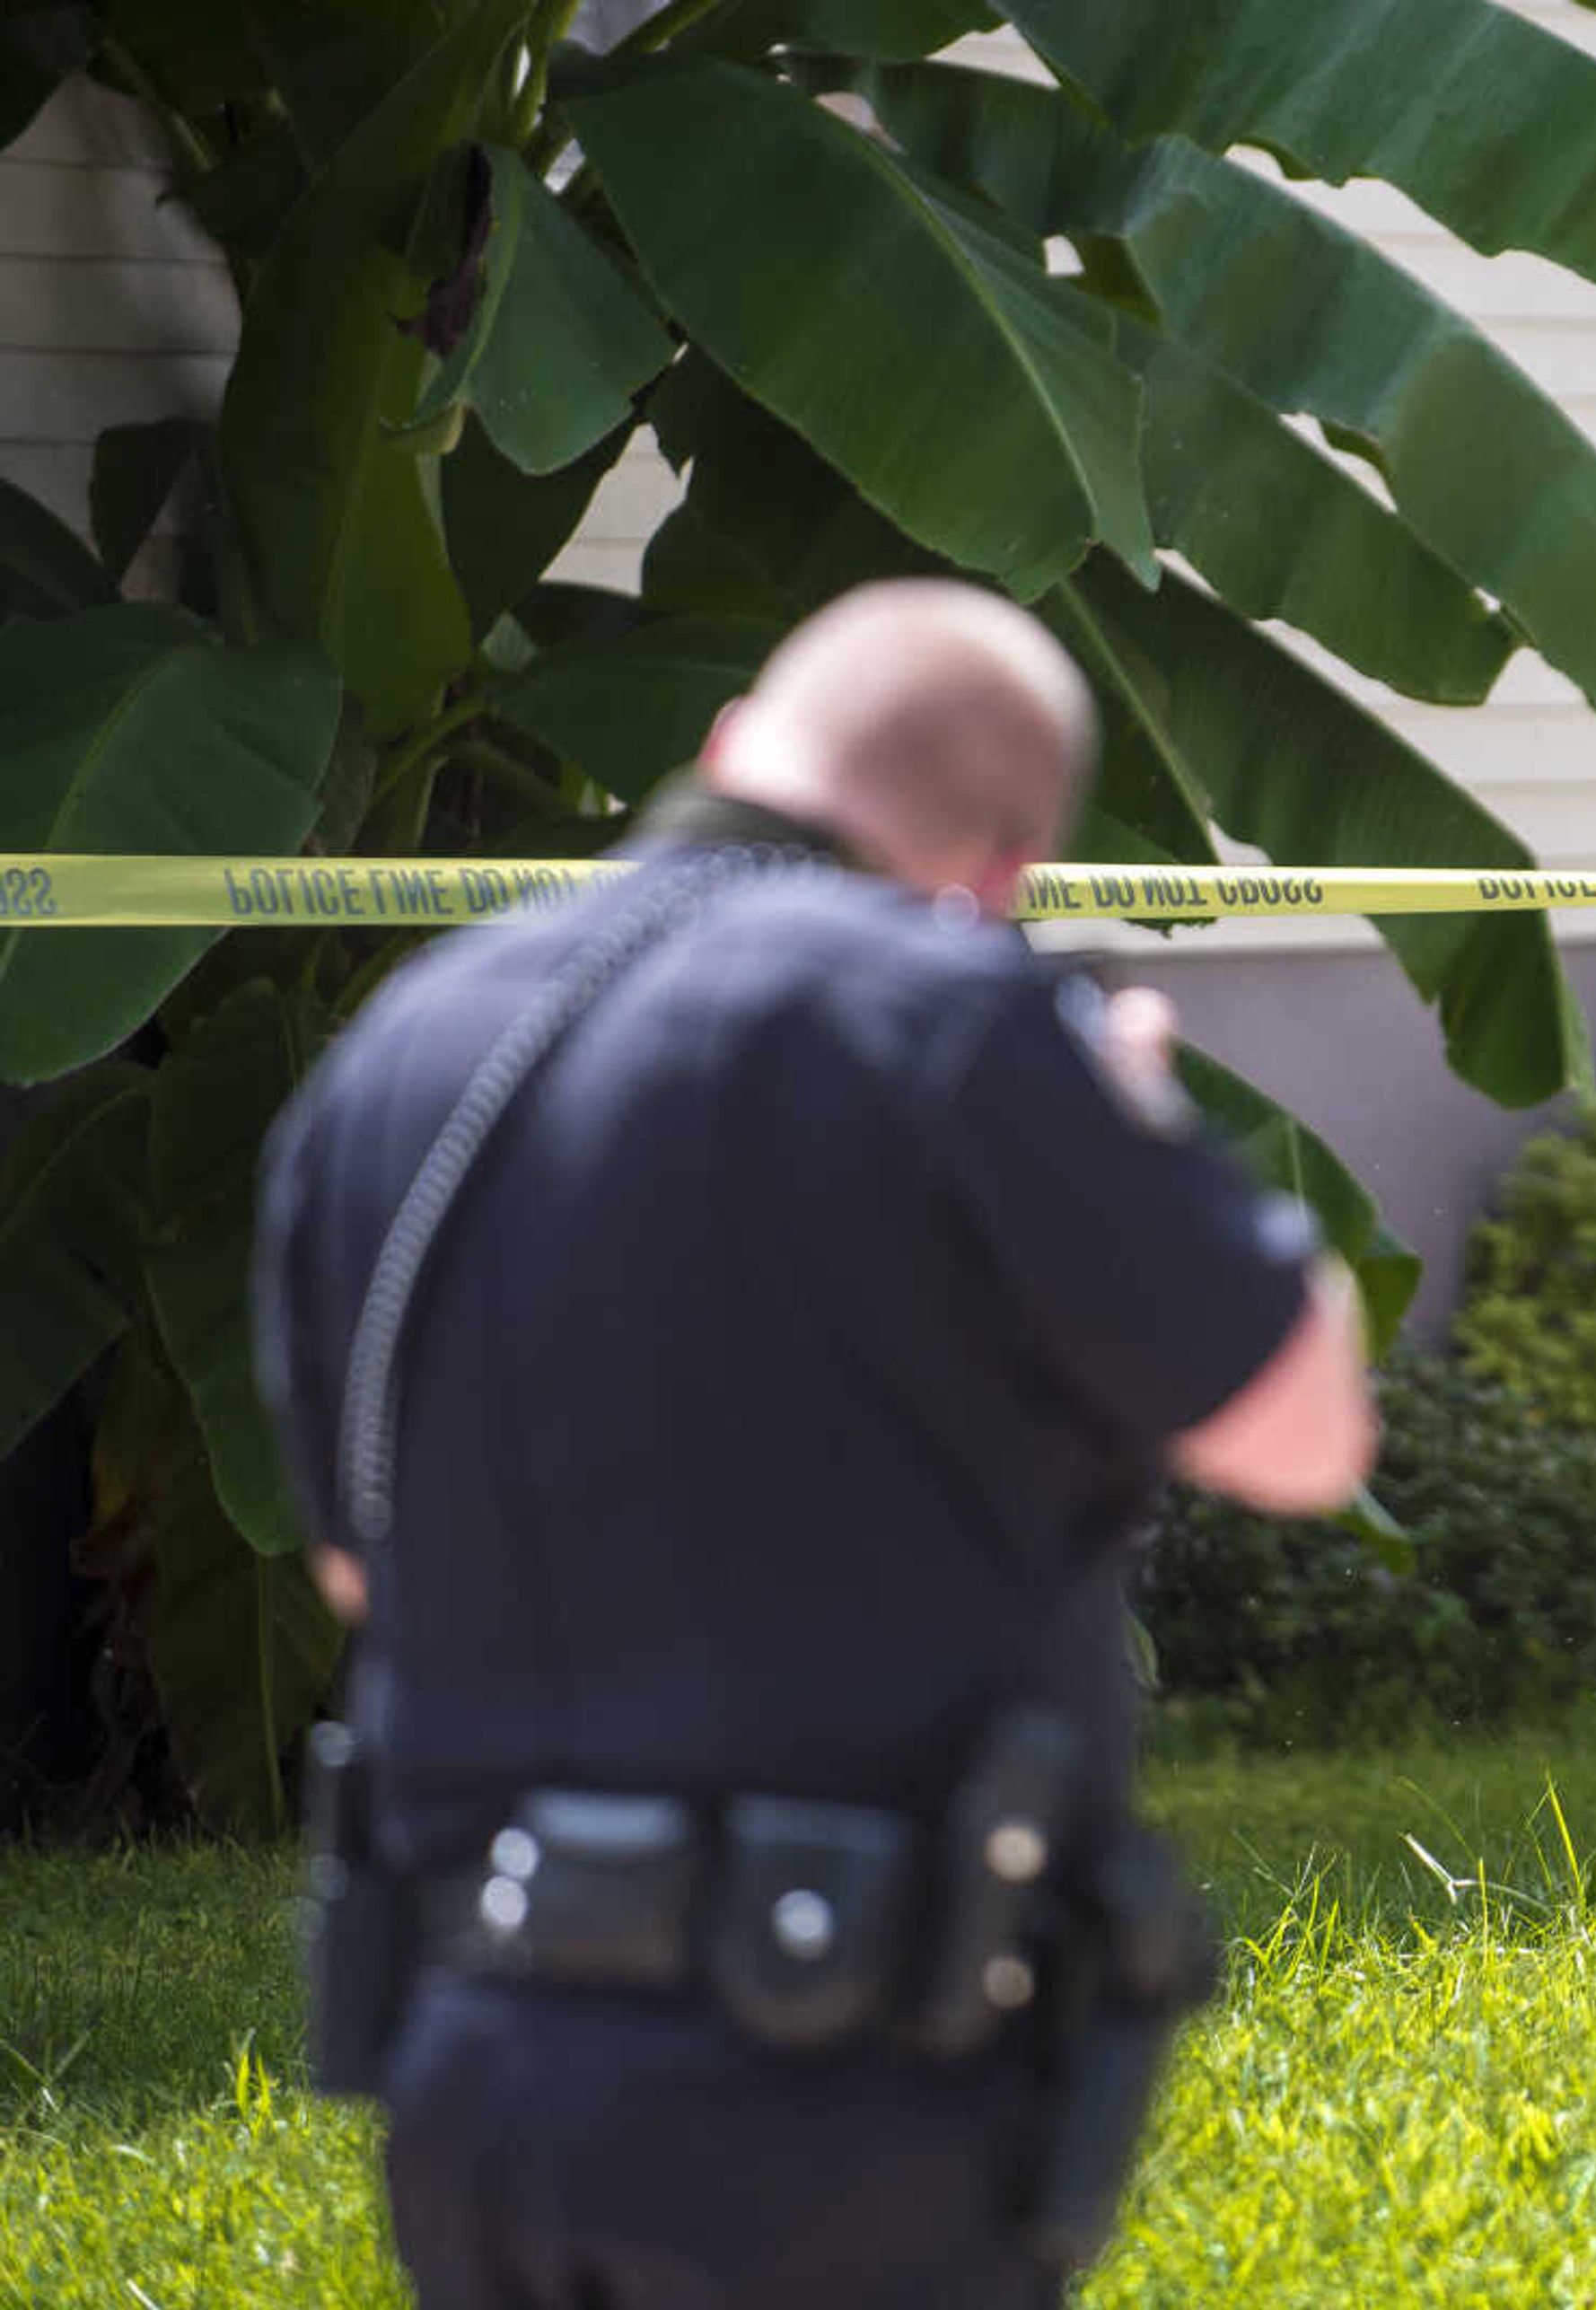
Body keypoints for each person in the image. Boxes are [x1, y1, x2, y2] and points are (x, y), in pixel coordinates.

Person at [252, 577, 1375, 2308]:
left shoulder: (405, 1043)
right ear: (1003, 869)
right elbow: (1301, 1432)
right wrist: (1134, 1116)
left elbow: (355, 1554)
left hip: (475, 2067)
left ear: (725, 748)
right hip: (831, 2095)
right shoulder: (946, 1017)